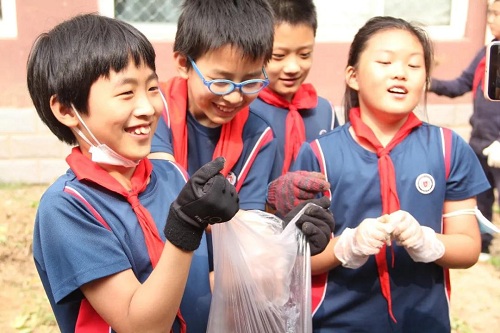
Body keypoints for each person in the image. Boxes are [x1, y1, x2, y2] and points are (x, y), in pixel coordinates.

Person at [271, 16, 490, 332]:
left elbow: (468, 247)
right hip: (336, 323)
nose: (400, 72)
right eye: (385, 62)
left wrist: (429, 243)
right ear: (353, 76)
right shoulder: (319, 154)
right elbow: (298, 261)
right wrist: (347, 247)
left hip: (424, 322)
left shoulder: (448, 148)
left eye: (414, 66)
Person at [27, 13, 240, 332]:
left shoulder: (172, 177)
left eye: (153, 88)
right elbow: (141, 325)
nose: (148, 107)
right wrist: (184, 229)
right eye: (126, 93)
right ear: (67, 110)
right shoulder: (67, 208)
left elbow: (199, 284)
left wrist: (278, 224)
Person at [148, 0, 335, 330]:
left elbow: (244, 232)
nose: (234, 97)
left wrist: (285, 236)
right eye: (220, 81)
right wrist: (226, 219)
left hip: (210, 284)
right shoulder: (153, 111)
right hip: (151, 275)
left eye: (250, 82)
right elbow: (163, 194)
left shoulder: (259, 135)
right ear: (182, 63)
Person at [429, 0, 500, 259]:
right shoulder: (486, 53)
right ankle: (483, 244)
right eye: (491, 13)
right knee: (481, 197)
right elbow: (461, 84)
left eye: (497, 14)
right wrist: (428, 82)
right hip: (480, 139)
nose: (492, 19)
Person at [250, 0, 339, 181]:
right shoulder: (243, 108)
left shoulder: (324, 111)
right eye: (279, 56)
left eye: (304, 54)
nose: (293, 67)